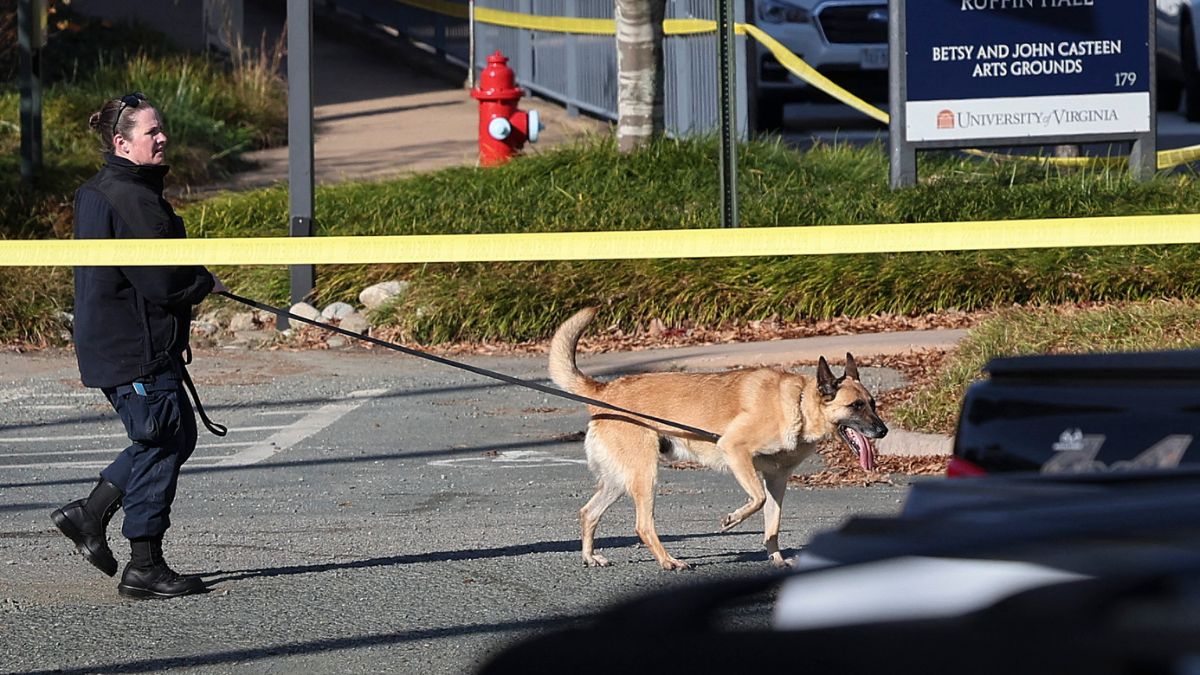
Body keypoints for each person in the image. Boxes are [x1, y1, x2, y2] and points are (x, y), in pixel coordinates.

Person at [51, 92, 227, 600]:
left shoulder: (107, 188)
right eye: (152, 132)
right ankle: (143, 565)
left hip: (121, 342)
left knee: (170, 436)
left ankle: (89, 514)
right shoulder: (130, 196)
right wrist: (202, 285)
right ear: (120, 142)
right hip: (135, 346)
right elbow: (162, 280)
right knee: (164, 438)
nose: (162, 137)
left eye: (160, 128)